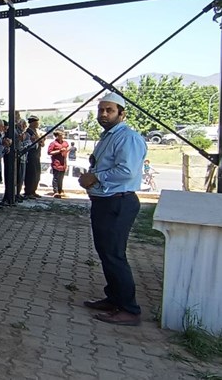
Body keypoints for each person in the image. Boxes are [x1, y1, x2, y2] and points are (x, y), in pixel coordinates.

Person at [79, 92, 146, 326]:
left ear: (122, 113)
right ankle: (114, 297)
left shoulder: (127, 138)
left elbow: (127, 171)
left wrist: (95, 177)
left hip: (118, 201)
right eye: (101, 110)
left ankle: (130, 309)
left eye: (109, 110)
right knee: (106, 252)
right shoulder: (108, 136)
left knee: (115, 255)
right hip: (105, 201)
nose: (104, 114)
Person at [23, 115, 43, 198]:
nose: (37, 124)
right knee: (31, 174)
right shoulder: (28, 132)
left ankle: (34, 190)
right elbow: (27, 144)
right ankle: (29, 191)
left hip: (37, 155)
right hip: (31, 156)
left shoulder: (36, 132)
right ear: (32, 123)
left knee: (37, 174)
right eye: (36, 122)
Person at [48, 130, 70, 198]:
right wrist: (59, 151)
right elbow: (49, 152)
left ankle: (60, 191)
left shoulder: (65, 142)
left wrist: (67, 150)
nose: (63, 136)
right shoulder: (53, 143)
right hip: (56, 163)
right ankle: (56, 191)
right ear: (57, 136)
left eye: (63, 135)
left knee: (61, 178)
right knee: (56, 178)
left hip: (63, 163)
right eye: (61, 135)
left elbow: (67, 149)